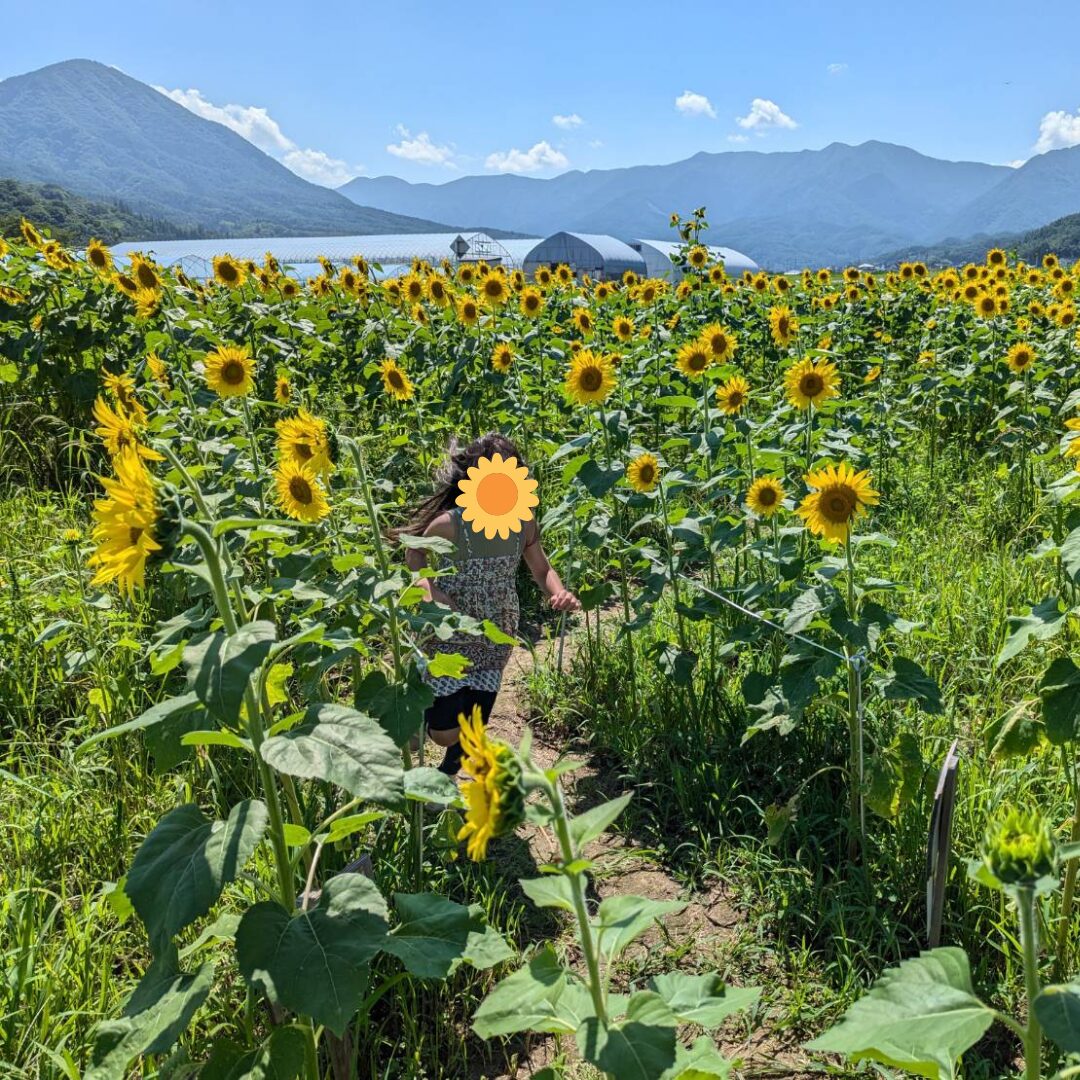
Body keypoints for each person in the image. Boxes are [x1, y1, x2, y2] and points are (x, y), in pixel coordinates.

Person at [396, 433, 580, 776]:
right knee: (444, 731)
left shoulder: (522, 522)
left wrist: (558, 591)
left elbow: (542, 569)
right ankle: (419, 713)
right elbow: (414, 551)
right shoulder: (452, 524)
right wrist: (427, 590)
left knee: (478, 712)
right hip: (450, 629)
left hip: (497, 627)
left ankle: (446, 777)